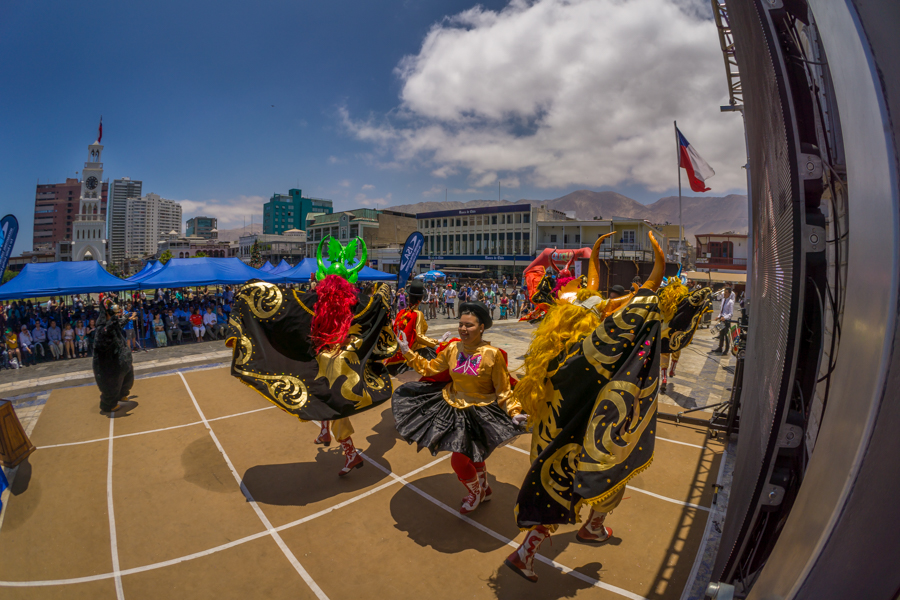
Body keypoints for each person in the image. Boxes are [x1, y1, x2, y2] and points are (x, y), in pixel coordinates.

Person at [504, 232, 665, 583]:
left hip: (546, 437)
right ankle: (592, 526)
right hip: (581, 432)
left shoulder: (551, 353)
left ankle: (526, 551)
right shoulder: (590, 353)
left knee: (553, 484)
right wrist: (648, 293)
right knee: (609, 471)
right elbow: (636, 315)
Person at [228, 237, 398, 477]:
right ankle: (325, 433)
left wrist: (252, 291)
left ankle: (350, 452)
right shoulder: (358, 304)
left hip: (327, 365)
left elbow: (284, 305)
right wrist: (384, 289)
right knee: (322, 396)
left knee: (328, 402)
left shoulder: (312, 302)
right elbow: (379, 303)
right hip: (342, 361)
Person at [393, 301, 526, 514]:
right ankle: (483, 487)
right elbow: (430, 369)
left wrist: (514, 411)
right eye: (461, 324)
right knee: (472, 454)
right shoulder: (453, 348)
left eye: (469, 325)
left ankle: (476, 493)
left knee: (459, 462)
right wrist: (407, 351)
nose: (463, 329)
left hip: (481, 411)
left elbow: (503, 390)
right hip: (453, 407)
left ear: (481, 327)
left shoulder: (493, 354)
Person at [93, 301, 135, 413]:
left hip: (122, 361)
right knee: (112, 384)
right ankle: (108, 404)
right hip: (110, 365)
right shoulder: (102, 328)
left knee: (128, 377)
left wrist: (127, 318)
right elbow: (102, 338)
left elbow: (118, 324)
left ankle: (122, 393)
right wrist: (112, 323)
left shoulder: (114, 322)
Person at [713, 286, 734, 354]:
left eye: (726, 292)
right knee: (721, 334)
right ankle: (720, 347)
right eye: (724, 292)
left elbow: (730, 314)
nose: (724, 293)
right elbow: (722, 311)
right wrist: (718, 316)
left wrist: (725, 317)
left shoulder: (731, 302)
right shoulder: (723, 300)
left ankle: (726, 349)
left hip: (726, 321)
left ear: (729, 294)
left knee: (726, 335)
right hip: (721, 320)